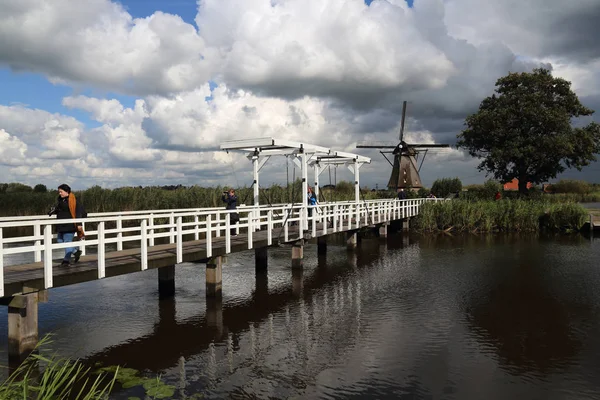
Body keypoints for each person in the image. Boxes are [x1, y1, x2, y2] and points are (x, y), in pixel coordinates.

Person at [48, 183, 85, 267]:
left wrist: (79, 224)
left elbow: (78, 212)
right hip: (61, 225)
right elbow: (60, 210)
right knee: (59, 241)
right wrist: (53, 211)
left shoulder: (74, 200)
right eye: (59, 192)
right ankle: (76, 252)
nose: (59, 193)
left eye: (61, 192)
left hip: (70, 225)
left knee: (67, 242)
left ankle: (66, 261)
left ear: (67, 191)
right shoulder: (60, 200)